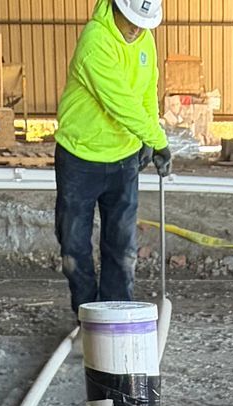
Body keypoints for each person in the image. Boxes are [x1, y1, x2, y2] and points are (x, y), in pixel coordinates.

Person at [54, 0, 171, 312]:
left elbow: (146, 93)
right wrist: (158, 141)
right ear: (115, 7)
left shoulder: (144, 38)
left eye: (142, 23)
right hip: (80, 159)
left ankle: (116, 318)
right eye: (131, 20)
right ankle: (87, 315)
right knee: (74, 246)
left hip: (124, 160)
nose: (136, 29)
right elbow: (120, 103)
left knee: (121, 248)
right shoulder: (95, 41)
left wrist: (146, 140)